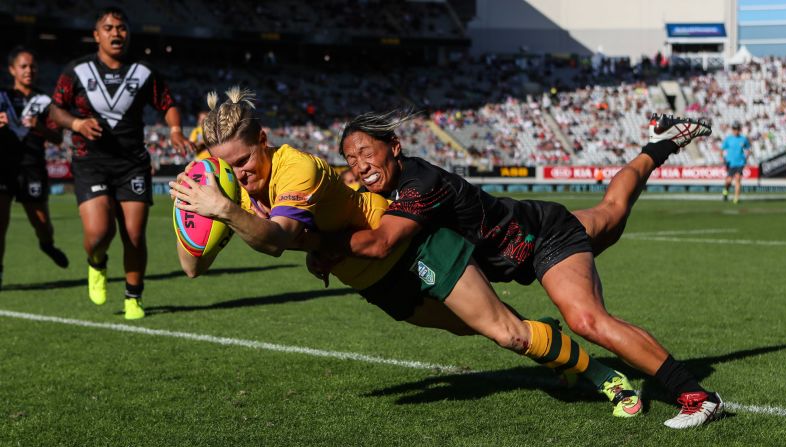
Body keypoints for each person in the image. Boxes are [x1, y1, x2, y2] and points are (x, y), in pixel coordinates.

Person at [170, 88, 643, 418]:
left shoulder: (295, 169)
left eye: (244, 160)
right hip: (375, 280)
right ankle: (555, 346)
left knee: (507, 334)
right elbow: (192, 266)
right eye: (226, 166)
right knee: (472, 328)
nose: (240, 173)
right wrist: (189, 210)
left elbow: (273, 241)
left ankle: (606, 378)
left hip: (412, 246)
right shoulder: (229, 188)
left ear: (264, 140)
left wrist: (225, 210)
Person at [315, 111, 723, 429]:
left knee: (586, 319)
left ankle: (697, 396)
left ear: (395, 147)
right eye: (351, 159)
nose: (360, 165)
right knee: (611, 213)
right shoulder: (383, 186)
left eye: (367, 153)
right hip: (529, 233)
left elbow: (383, 242)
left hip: (543, 238)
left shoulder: (420, 184)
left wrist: (321, 247)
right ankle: (660, 144)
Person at [49, 7, 193, 319]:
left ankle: (133, 298)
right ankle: (96, 263)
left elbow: (167, 103)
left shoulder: (143, 71)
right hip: (91, 163)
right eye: (109, 27)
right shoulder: (76, 71)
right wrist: (76, 125)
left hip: (133, 164)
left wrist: (176, 130)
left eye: (122, 28)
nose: (117, 33)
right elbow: (56, 109)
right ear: (96, 35)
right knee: (99, 234)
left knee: (134, 235)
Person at [0, 46, 69, 289]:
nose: (29, 70)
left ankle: (46, 244)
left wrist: (40, 128)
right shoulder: (1, 97)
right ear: (12, 70)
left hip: (32, 168)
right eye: (23, 66)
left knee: (41, 223)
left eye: (33, 66)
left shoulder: (45, 101)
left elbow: (59, 138)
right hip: (3, 167)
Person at [721, 122, 750, 204]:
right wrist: (723, 159)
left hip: (740, 163)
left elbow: (748, 149)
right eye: (734, 129)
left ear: (739, 130)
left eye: (737, 129)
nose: (736, 131)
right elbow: (722, 149)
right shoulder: (728, 139)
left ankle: (736, 198)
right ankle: (725, 191)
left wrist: (746, 158)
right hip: (730, 163)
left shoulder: (743, 139)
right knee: (728, 181)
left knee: (738, 179)